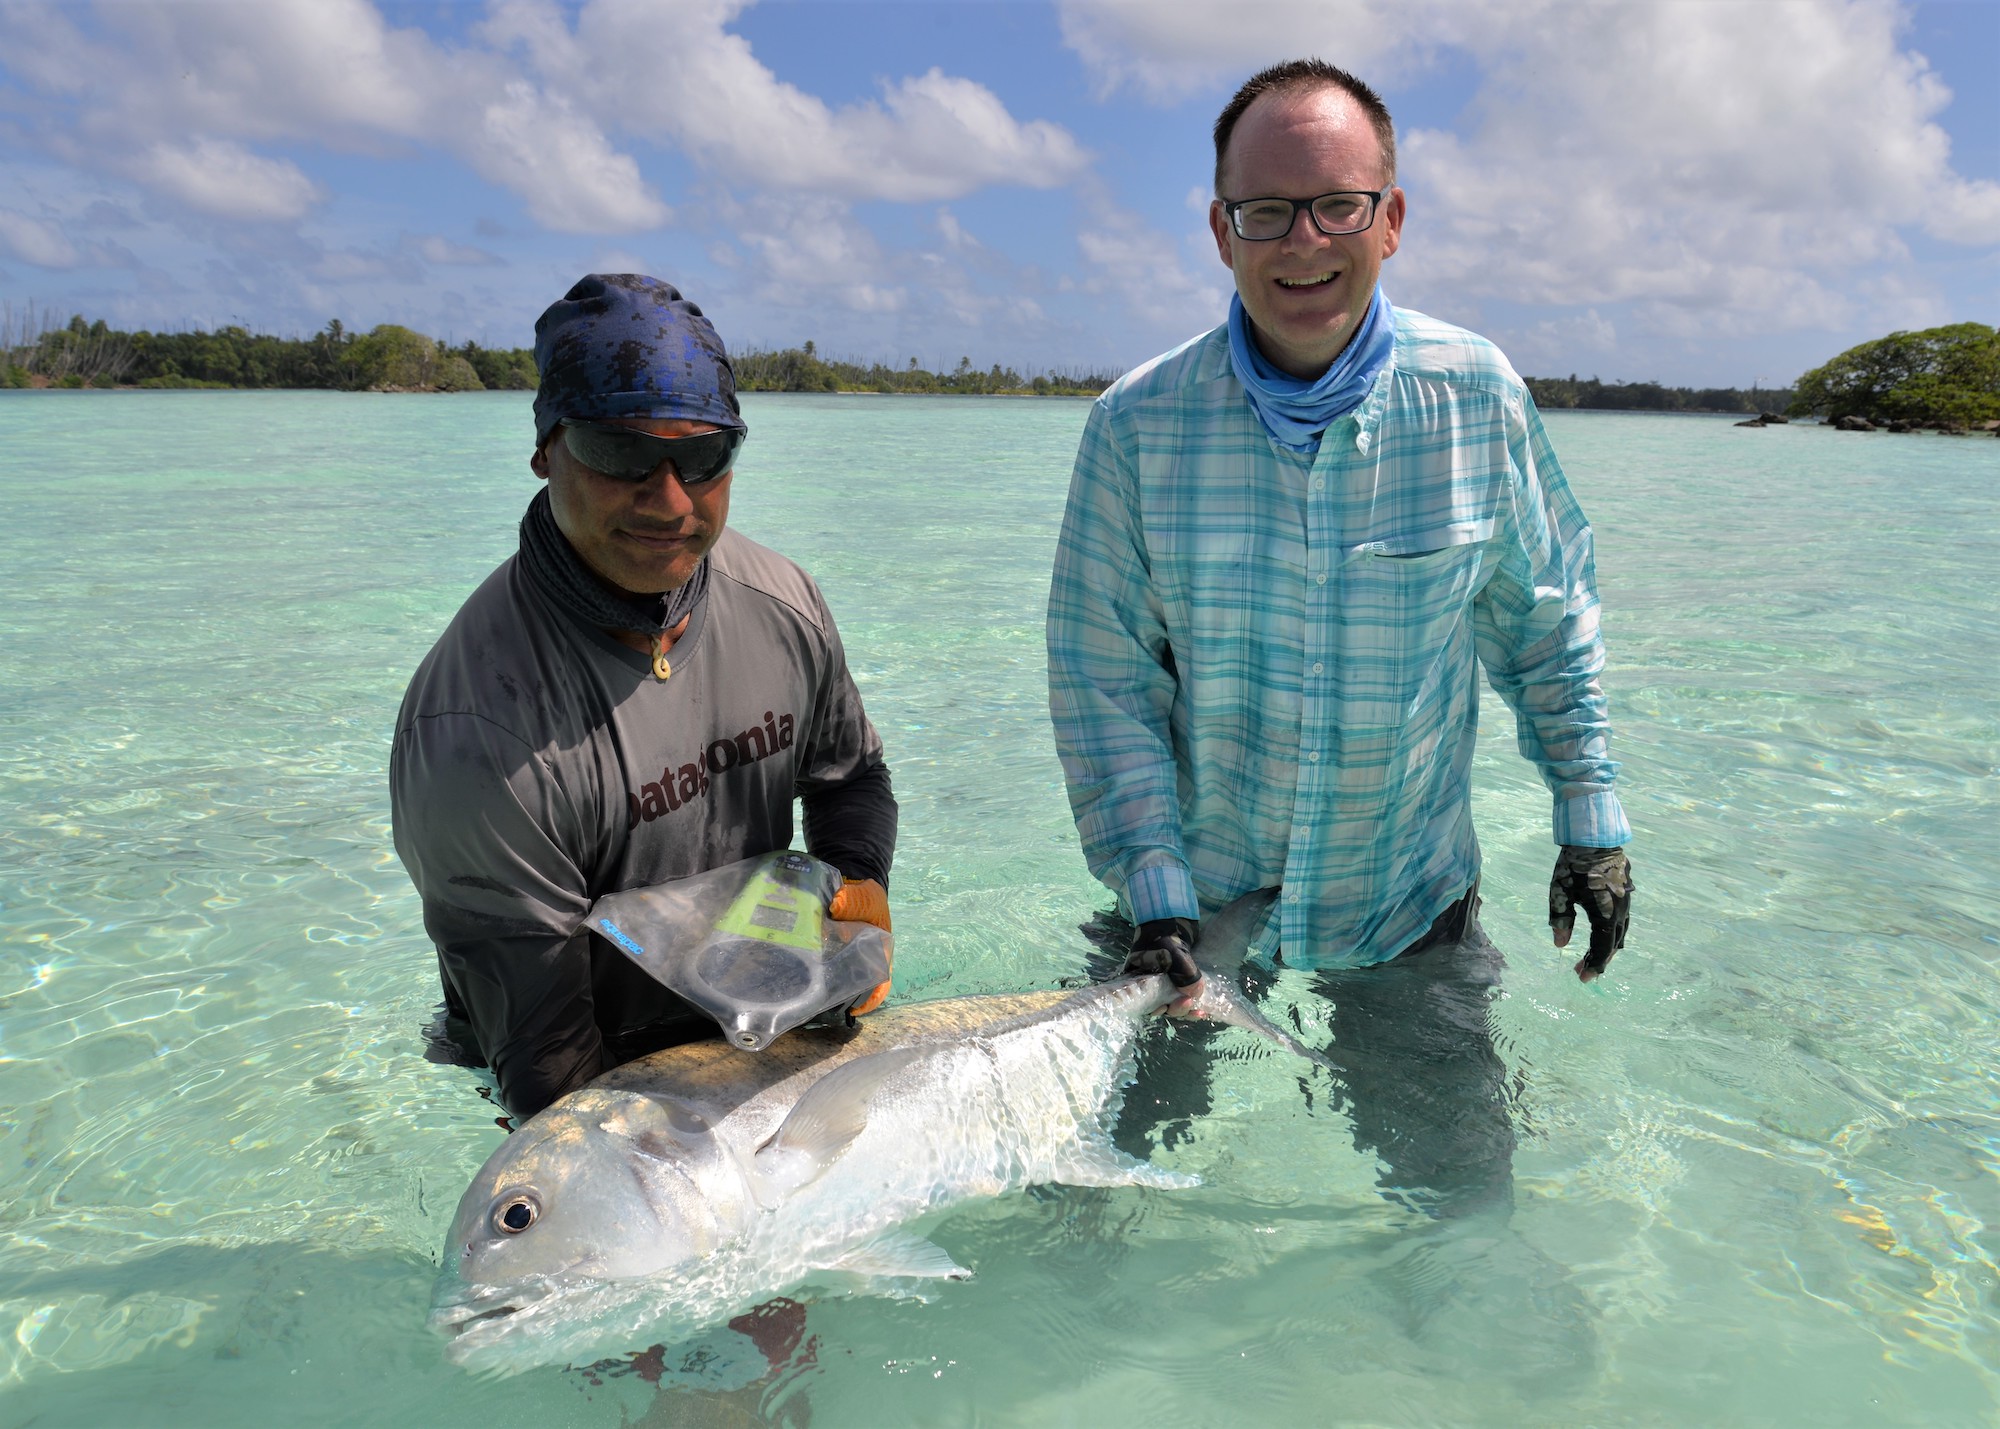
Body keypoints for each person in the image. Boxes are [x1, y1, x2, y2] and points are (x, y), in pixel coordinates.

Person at [1047, 60, 1633, 1213]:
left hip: (1405, 910)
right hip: (1185, 916)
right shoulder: (1133, 426)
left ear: (1390, 220)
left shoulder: (1475, 395)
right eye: (1264, 210)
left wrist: (1589, 820)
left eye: (1336, 205)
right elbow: (1100, 678)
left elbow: (1545, 621)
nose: (1301, 240)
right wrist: (1156, 897)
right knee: (1083, 1202)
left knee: (1464, 1218)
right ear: (1220, 232)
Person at [392, 273, 897, 1121]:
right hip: (570, 1059)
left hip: (751, 1017)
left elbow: (850, 779)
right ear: (547, 450)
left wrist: (859, 881)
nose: (669, 502)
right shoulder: (479, 731)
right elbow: (547, 1061)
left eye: (702, 457)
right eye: (623, 454)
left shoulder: (783, 602)